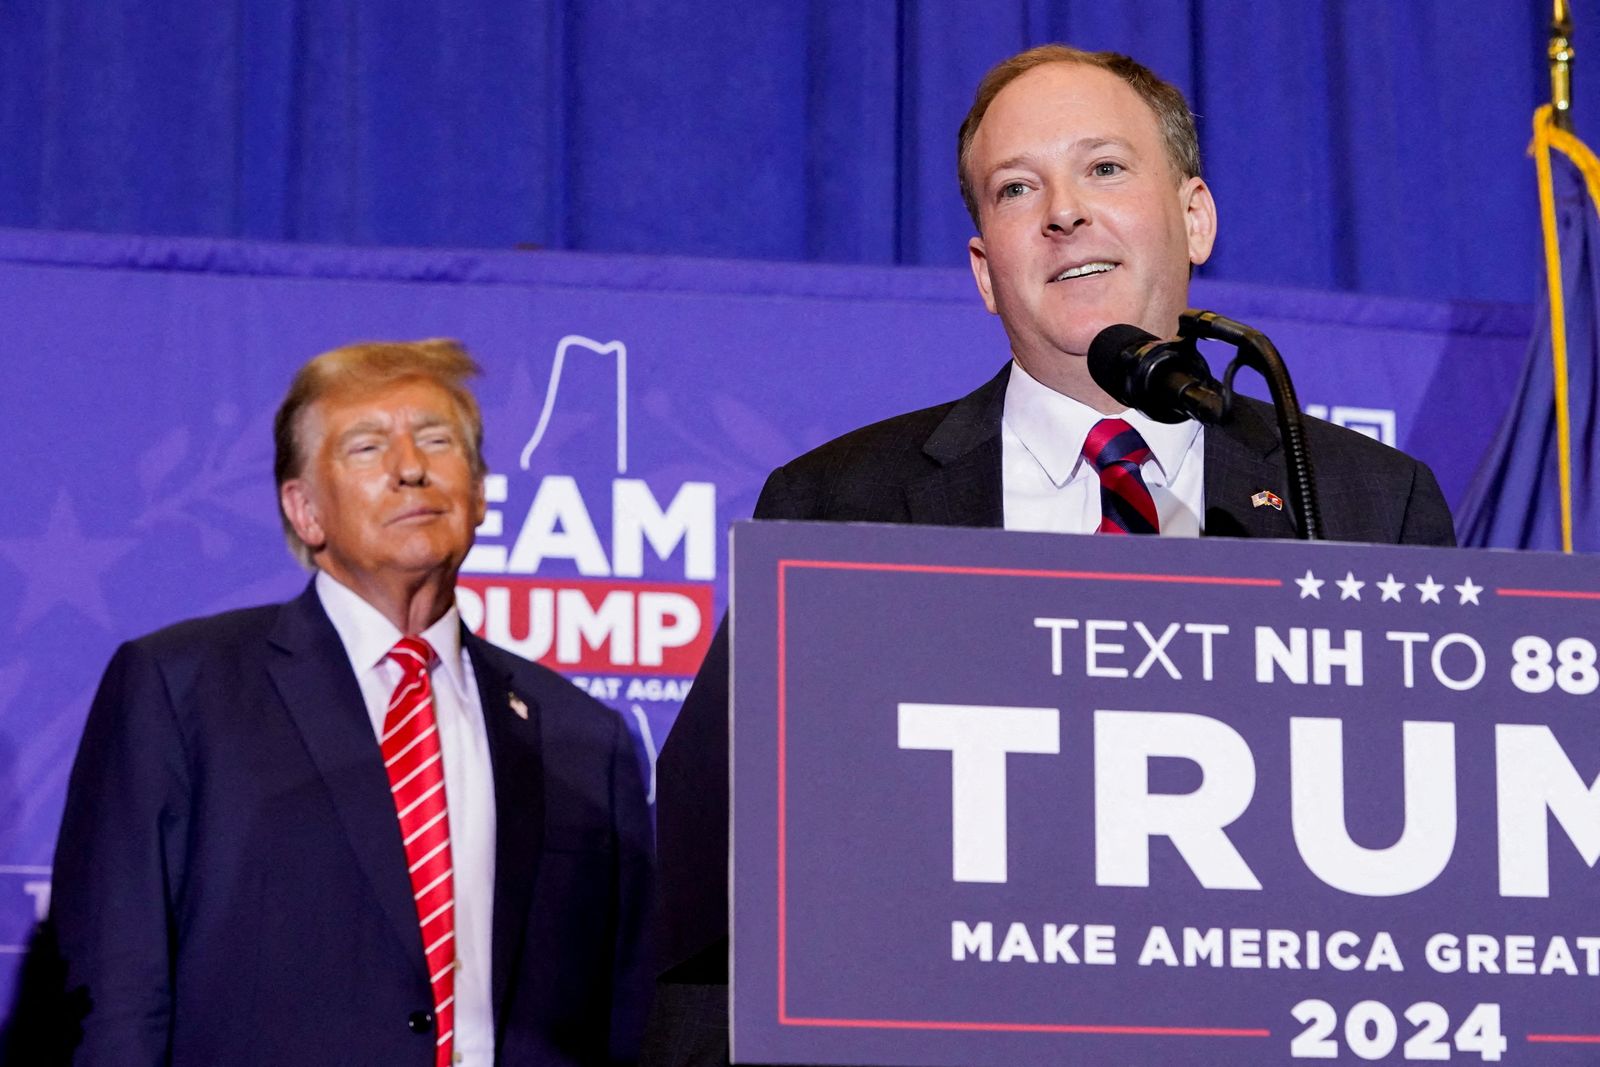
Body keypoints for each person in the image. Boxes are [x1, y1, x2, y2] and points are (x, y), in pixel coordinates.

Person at [643, 43, 1454, 1066]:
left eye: (1104, 167)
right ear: (986, 267)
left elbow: (1434, 876)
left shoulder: (1360, 499)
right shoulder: (836, 505)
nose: (1062, 209)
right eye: (1017, 187)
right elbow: (719, 890)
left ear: (1194, 215)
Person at [52, 340, 653, 1066]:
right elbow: (118, 995)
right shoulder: (180, 691)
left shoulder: (585, 738)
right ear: (305, 511)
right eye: (367, 447)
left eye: (437, 440)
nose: (411, 466)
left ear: (480, 492)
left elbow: (629, 1015)